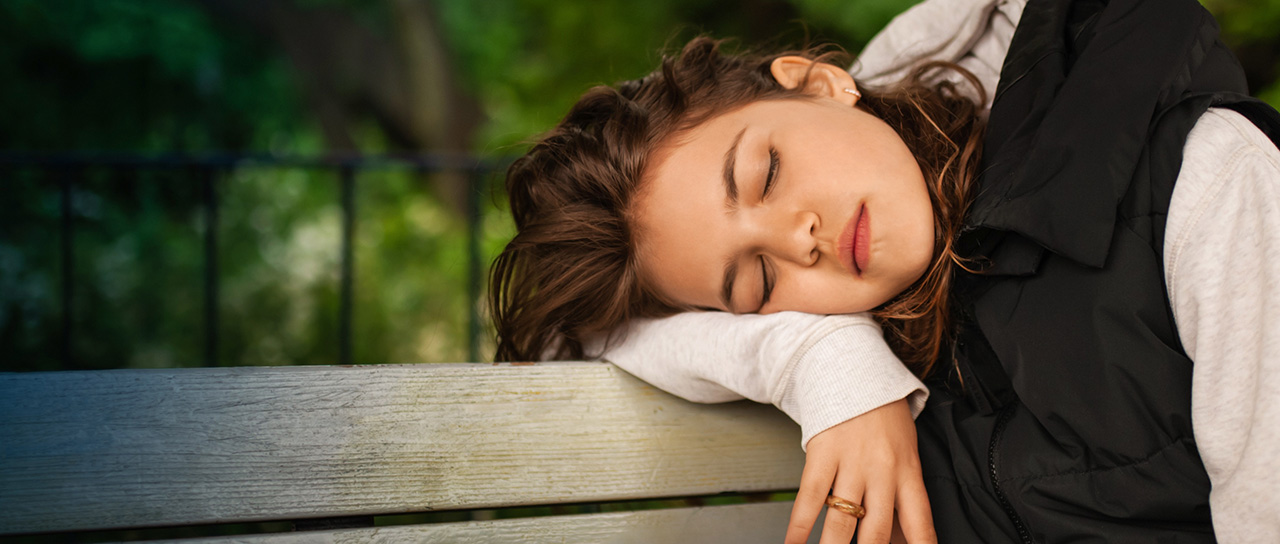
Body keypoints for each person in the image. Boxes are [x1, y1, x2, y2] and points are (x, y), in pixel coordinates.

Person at [489, 0, 1280, 542]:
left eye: (764, 173)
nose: (797, 240)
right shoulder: (884, 345)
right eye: (755, 281)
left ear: (821, 85)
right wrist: (826, 364)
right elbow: (581, 338)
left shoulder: (1208, 179)